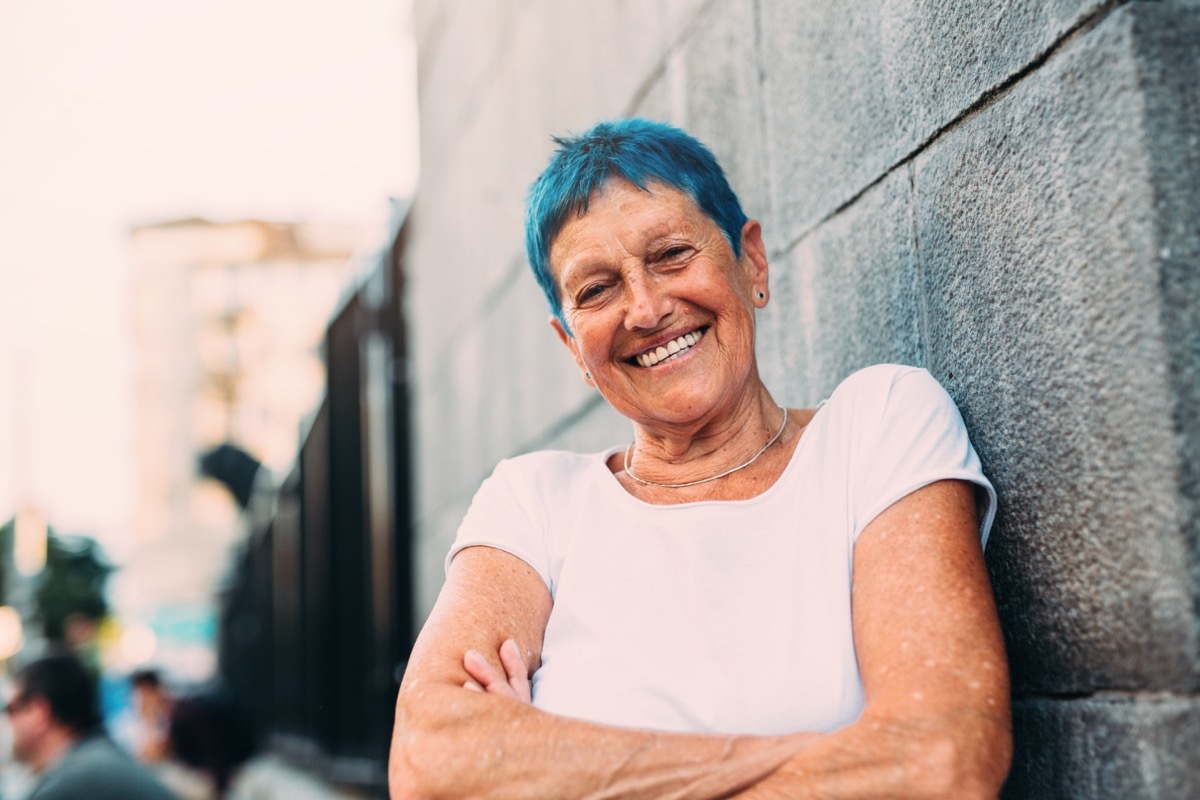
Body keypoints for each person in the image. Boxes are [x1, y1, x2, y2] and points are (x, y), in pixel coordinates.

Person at [389, 118, 1012, 798]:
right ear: (573, 349)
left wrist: (546, 766)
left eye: (671, 255)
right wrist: (840, 757)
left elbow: (941, 761)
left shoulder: (879, 426)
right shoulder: (533, 502)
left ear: (752, 263)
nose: (645, 308)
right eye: (596, 290)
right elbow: (429, 759)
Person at [7, 651, 178, 799]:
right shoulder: (97, 759)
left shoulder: (72, 782)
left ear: (39, 712)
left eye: (9, 709)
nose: (7, 720)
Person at [128, 668, 172, 763]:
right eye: (141, 693)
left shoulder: (169, 719)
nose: (143, 699)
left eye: (148, 693)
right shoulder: (126, 726)